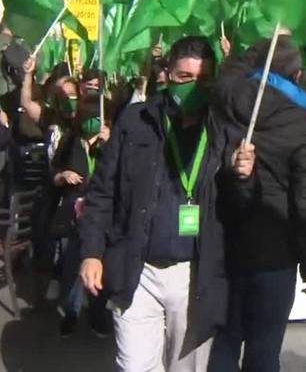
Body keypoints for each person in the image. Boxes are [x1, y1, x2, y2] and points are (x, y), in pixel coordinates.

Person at [80, 36, 245, 372]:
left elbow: (242, 206)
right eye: (185, 77)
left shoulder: (225, 129)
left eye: (204, 78)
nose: (194, 86)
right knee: (135, 366)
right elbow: (102, 191)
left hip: (194, 275)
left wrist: (244, 173)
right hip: (136, 268)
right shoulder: (135, 120)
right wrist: (91, 252)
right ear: (168, 74)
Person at [208, 36, 306, 372]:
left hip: (223, 244)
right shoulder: (304, 122)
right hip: (275, 256)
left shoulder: (226, 95)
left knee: (224, 341)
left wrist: (251, 50)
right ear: (297, 74)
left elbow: (231, 73)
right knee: (264, 348)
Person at [52, 97, 111, 338]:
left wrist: (109, 143)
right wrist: (63, 175)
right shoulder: (70, 142)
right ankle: (71, 313)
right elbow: (53, 174)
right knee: (71, 266)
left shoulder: (110, 144)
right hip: (71, 212)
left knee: (98, 264)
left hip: (99, 214)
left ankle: (97, 315)